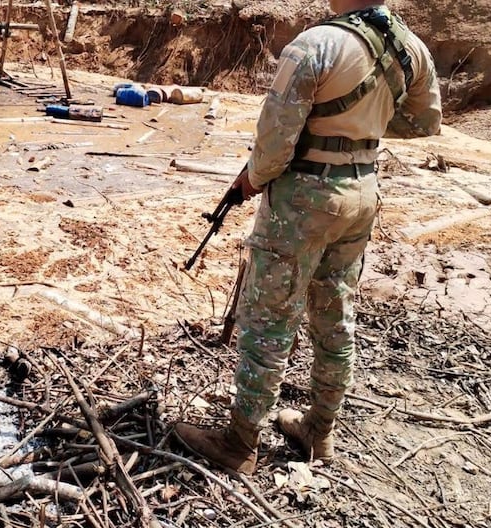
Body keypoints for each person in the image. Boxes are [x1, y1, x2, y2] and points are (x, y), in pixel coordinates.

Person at [174, 0, 442, 475]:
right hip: (362, 189)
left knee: (270, 317)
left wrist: (252, 179)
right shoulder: (409, 47)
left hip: (303, 200)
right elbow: (425, 122)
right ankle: (320, 432)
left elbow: (275, 143)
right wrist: (361, 126)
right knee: (335, 309)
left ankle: (239, 445)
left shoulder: (316, 45)